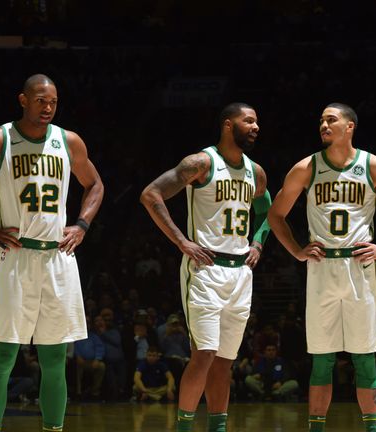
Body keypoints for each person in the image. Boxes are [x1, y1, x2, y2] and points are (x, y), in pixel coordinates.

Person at [0, 74, 104, 432]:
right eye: (41, 100)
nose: (47, 107)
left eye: (53, 102)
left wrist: (82, 224)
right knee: (4, 355)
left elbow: (95, 184)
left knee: (55, 357)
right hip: (16, 255)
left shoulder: (69, 141)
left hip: (58, 257)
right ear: (23, 100)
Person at [267, 103, 376, 432]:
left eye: (331, 119)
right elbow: (275, 215)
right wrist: (296, 250)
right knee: (322, 359)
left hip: (359, 267)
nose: (323, 125)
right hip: (322, 268)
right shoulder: (306, 168)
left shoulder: (374, 166)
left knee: (364, 358)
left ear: (349, 126)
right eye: (321, 120)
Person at [141, 103, 271, 432]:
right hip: (206, 268)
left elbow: (269, 212)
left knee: (225, 363)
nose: (256, 127)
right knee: (204, 355)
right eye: (249, 121)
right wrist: (181, 241)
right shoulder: (201, 162)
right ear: (229, 125)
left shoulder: (255, 172)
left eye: (257, 122)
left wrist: (258, 241)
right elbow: (151, 194)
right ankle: (184, 427)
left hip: (241, 272)